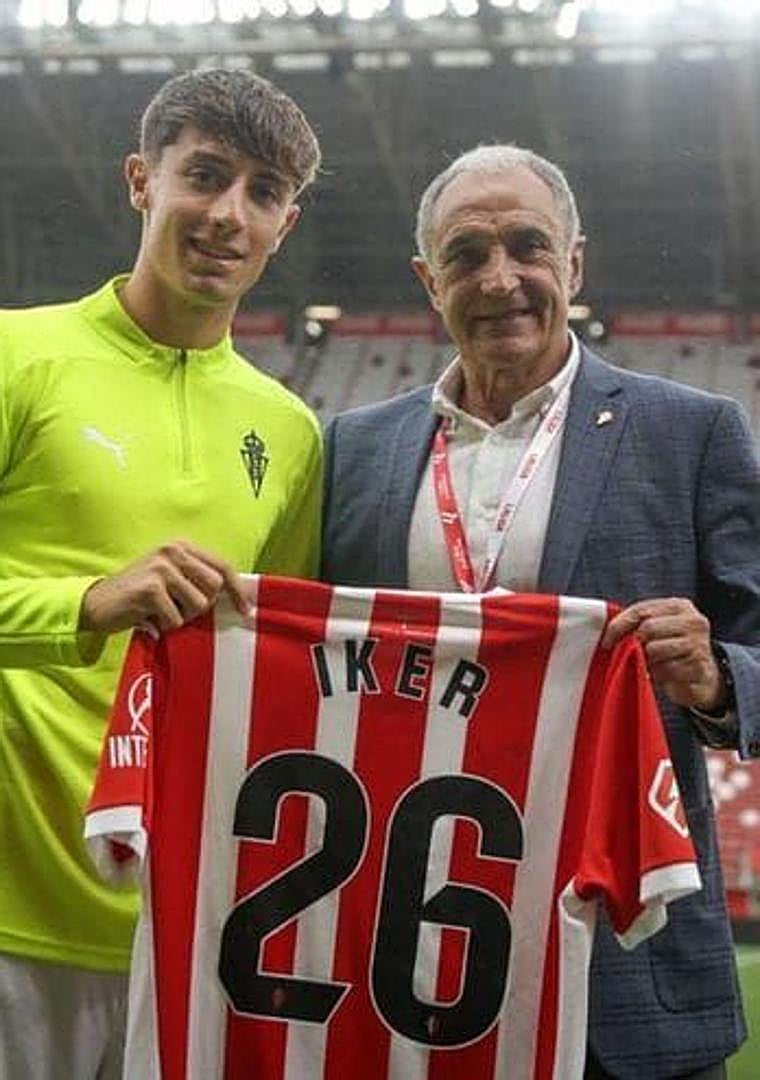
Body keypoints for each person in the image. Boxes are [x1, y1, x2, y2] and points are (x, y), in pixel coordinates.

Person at [321, 144, 760, 1079]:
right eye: (467, 254)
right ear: (427, 280)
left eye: (527, 246)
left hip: (623, 959)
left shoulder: (691, 433)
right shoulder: (354, 449)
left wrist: (716, 678)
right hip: (407, 952)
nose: (500, 279)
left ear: (574, 264)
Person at [0, 68, 322, 1079]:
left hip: (187, 927)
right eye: (205, 175)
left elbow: (278, 674)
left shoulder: (292, 433)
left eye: (262, 193)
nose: (228, 215)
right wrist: (86, 603)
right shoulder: (15, 356)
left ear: (284, 226)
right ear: (141, 180)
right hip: (10, 920)